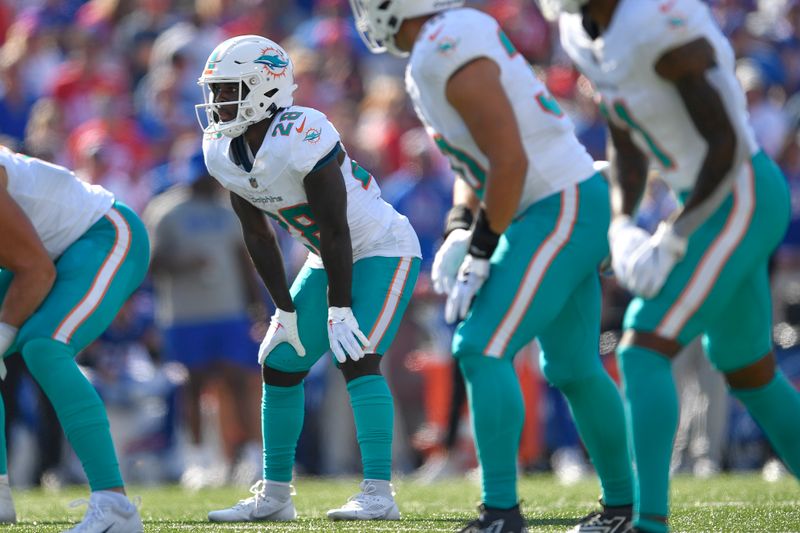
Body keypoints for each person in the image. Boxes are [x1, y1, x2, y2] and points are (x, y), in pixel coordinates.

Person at [350, 2, 634, 532]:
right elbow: (477, 162)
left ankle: (501, 513)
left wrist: (482, 248)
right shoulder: (443, 41)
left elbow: (509, 159)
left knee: (481, 347)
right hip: (555, 201)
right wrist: (461, 225)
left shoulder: (445, 43)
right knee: (572, 367)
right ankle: (624, 509)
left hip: (554, 202)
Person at [548, 0, 800, 530]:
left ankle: (647, 521)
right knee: (749, 371)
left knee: (643, 345)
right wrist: (621, 222)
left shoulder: (655, 23)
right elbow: (624, 137)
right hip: (711, 198)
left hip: (739, 193)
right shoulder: (581, 29)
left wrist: (675, 234)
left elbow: (727, 146)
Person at [197, 35, 421, 522]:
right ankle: (275, 496)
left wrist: (339, 309)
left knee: (358, 355)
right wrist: (284, 309)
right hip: (327, 256)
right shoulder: (222, 149)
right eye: (215, 91)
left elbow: (338, 230)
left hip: (381, 248)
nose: (217, 102)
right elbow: (256, 236)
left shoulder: (302, 131)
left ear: (264, 88)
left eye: (229, 90)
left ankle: (379, 492)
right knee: (279, 361)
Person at [0, 146, 149, 532]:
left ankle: (114, 503)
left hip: (105, 232)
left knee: (44, 346)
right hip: (51, 253)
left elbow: (36, 269)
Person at [145, 152, 263, 488]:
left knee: (240, 381)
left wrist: (257, 307)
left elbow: (244, 262)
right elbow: (150, 263)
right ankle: (196, 460)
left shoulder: (228, 210)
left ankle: (250, 457)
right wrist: (185, 263)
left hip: (229, 312)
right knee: (192, 385)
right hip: (185, 315)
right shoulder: (166, 210)